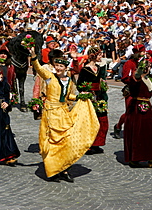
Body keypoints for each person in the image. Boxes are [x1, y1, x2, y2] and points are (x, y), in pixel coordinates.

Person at [29, 48, 100, 183]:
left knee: (65, 141)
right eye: (56, 66)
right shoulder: (49, 77)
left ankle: (63, 169)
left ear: (65, 68)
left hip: (63, 112)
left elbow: (68, 96)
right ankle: (52, 170)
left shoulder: (68, 81)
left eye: (61, 66)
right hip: (51, 113)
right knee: (52, 142)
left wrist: (80, 97)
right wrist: (33, 57)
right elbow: (38, 68)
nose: (58, 68)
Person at [122, 44, 152, 169]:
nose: (149, 68)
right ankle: (135, 158)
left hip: (147, 107)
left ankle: (151, 158)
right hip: (137, 109)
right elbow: (136, 76)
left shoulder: (148, 79)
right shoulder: (136, 78)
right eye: (148, 66)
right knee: (138, 133)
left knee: (151, 133)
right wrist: (140, 67)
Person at [76, 47, 109, 155]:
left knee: (101, 119)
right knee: (89, 121)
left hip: (98, 97)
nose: (101, 57)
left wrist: (102, 87)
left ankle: (97, 143)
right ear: (93, 56)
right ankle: (88, 144)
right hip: (89, 98)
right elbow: (80, 84)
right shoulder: (85, 69)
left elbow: (100, 80)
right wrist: (86, 91)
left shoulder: (98, 68)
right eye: (99, 55)